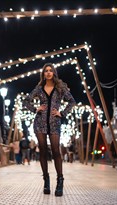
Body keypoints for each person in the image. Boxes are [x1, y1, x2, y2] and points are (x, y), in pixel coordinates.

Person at [24, 63, 76, 196]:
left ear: (53, 73)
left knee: (55, 151)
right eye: (46, 71)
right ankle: (46, 181)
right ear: (43, 73)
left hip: (54, 123)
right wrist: (35, 109)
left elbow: (72, 101)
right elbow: (26, 101)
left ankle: (60, 181)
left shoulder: (60, 87)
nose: (48, 72)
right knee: (42, 151)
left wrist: (62, 113)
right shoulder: (39, 88)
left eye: (50, 70)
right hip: (39, 122)